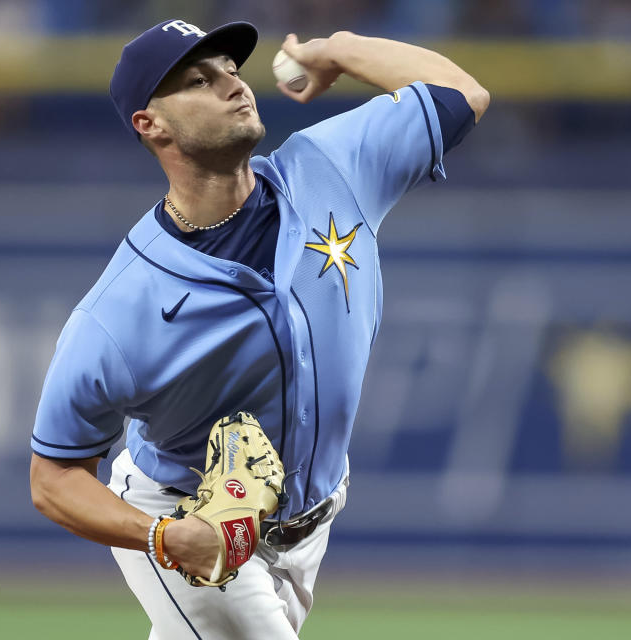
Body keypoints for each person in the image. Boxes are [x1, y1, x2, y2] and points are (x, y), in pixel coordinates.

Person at [29, 17, 488, 640]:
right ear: (150, 124)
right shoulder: (120, 311)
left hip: (311, 522)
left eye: (232, 70)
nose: (232, 86)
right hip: (187, 512)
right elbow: (52, 478)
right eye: (199, 79)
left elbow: (460, 93)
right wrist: (163, 537)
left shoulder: (329, 166)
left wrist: (341, 51)